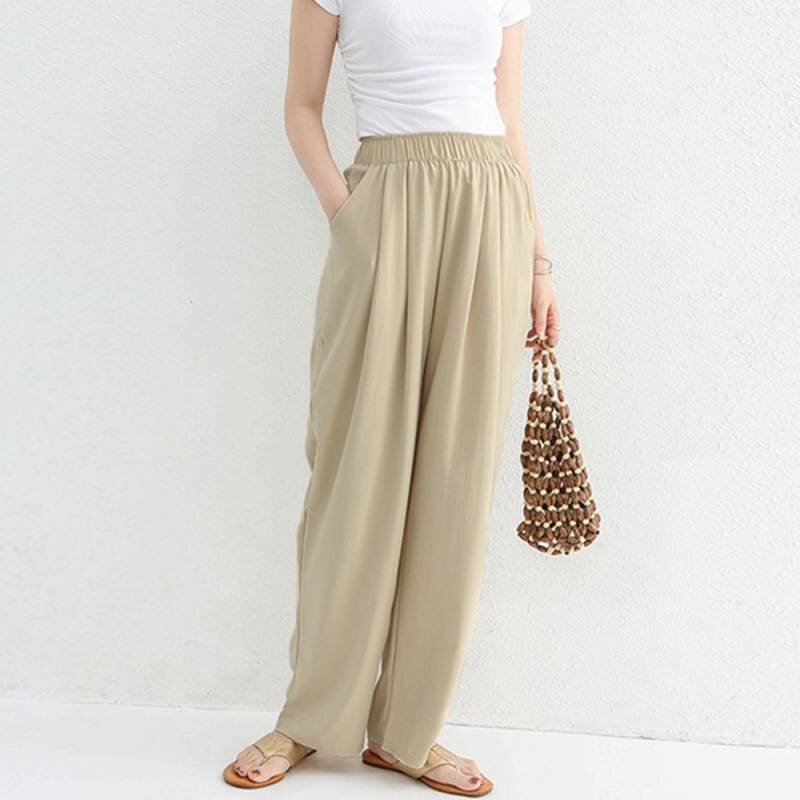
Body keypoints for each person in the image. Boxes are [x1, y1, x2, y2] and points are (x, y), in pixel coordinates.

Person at [223, 0, 560, 794]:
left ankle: (410, 732)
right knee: (356, 470)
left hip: (491, 208)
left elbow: (509, 121)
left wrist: (539, 261)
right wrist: (351, 216)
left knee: (456, 475)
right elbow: (301, 106)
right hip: (384, 203)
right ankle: (312, 717)